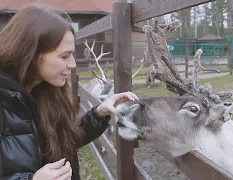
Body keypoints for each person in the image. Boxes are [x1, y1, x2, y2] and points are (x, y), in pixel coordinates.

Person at [0, 4, 138, 180]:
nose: (72, 64)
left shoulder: (44, 91)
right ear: (32, 53)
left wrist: (99, 113)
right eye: (64, 56)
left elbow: (66, 141)